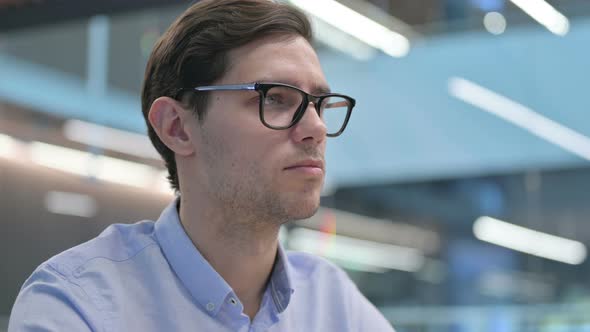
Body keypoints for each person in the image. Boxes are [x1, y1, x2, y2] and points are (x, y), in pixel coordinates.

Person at [8, 0, 395, 331]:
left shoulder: (334, 303)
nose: (316, 128)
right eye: (275, 98)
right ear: (177, 128)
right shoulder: (77, 304)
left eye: (319, 104)